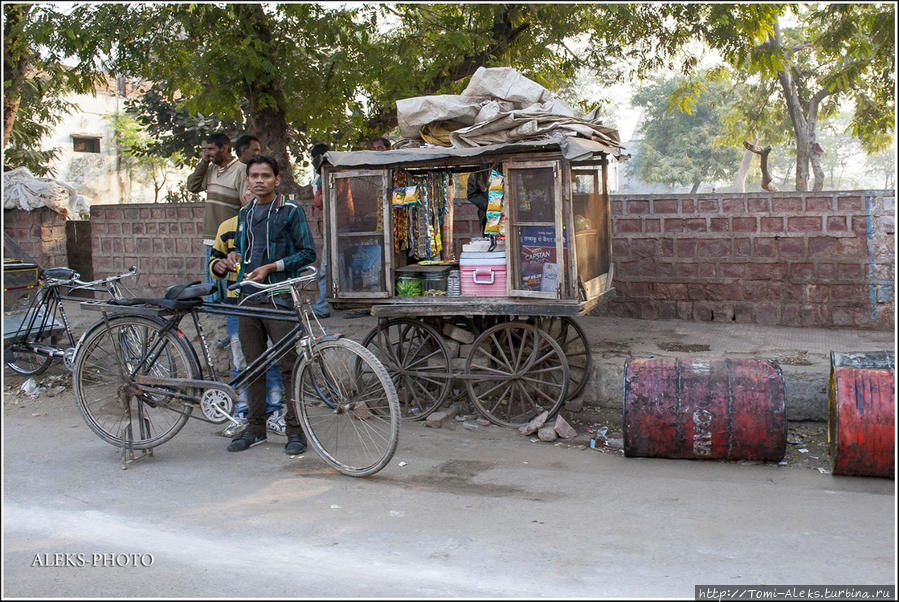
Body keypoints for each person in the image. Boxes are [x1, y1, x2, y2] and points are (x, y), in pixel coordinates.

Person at [224, 154, 316, 454]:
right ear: (247, 179)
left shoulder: (290, 211)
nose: (259, 180)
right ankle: (255, 429)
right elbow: (242, 249)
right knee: (253, 367)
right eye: (254, 176)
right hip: (248, 298)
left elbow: (306, 253)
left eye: (265, 175)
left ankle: (295, 431)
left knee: (289, 367)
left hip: (279, 297)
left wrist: (272, 267)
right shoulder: (245, 213)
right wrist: (234, 257)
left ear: (277, 180)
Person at [208, 143, 286, 438]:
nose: (255, 186)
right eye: (251, 180)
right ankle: (244, 413)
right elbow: (214, 262)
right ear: (244, 191)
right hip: (237, 302)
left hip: (272, 298)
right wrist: (223, 265)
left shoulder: (279, 218)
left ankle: (276, 411)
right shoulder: (228, 226)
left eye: (263, 178)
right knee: (243, 360)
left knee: (274, 358)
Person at [186, 132, 248, 302]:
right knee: (213, 282)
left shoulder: (241, 170)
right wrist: (203, 162)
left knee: (231, 282)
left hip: (231, 237)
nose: (208, 153)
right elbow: (192, 186)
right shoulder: (211, 169)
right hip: (210, 235)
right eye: (205, 150)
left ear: (225, 148)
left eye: (211, 149)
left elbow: (246, 204)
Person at [310, 143, 331, 318]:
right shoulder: (323, 177)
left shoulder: (330, 176)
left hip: (337, 228)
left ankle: (322, 307)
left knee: (325, 269)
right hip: (335, 228)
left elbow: (320, 202)